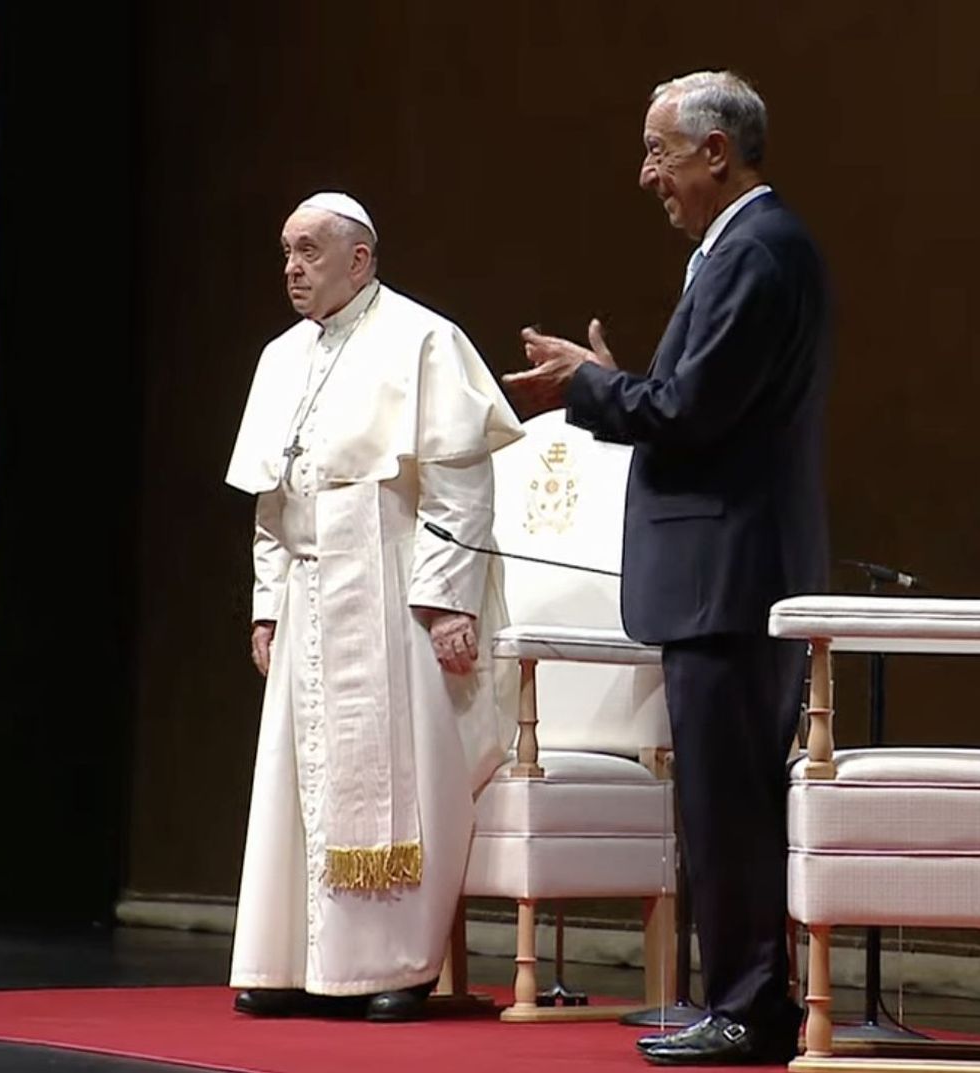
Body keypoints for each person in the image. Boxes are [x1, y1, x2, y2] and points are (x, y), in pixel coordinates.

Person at [506, 72, 831, 1066]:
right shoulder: (730, 251)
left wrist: (594, 385)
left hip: (730, 570)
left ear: (716, 151)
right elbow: (692, 397)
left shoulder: (758, 251)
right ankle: (734, 992)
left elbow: (692, 413)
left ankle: (748, 1003)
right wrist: (617, 379)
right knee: (717, 799)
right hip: (719, 567)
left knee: (730, 801)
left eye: (659, 151)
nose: (646, 174)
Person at [224, 192, 522, 1022]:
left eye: (311, 251)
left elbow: (461, 488)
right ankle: (289, 959)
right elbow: (269, 504)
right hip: (309, 593)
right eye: (286, 251)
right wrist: (266, 607)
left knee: (401, 774)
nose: (292, 267)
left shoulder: (423, 339)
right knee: (295, 778)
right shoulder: (280, 357)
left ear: (361, 258)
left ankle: (395, 961)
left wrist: (446, 600)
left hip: (394, 591)